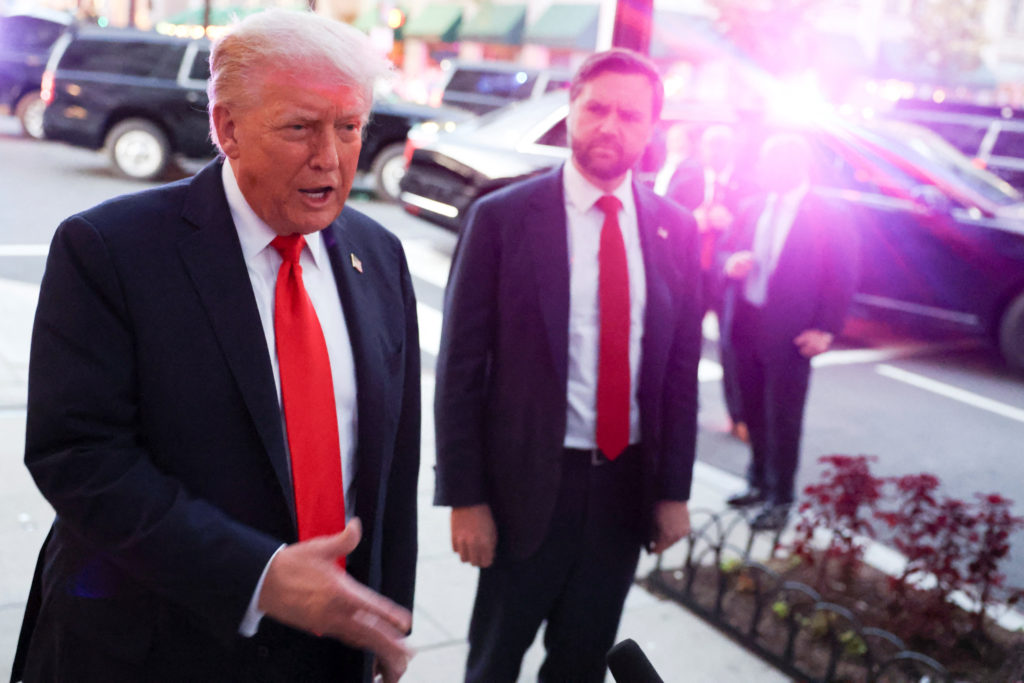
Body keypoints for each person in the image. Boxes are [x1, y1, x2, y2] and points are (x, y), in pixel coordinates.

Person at [12, 10, 420, 683]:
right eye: (300, 127)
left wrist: (386, 614)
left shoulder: (379, 256)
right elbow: (78, 456)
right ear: (227, 126)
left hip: (327, 643)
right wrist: (259, 576)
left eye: (350, 126)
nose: (331, 156)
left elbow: (392, 461)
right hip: (157, 644)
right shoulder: (111, 249)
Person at [433, 49, 703, 683]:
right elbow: (461, 368)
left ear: (652, 129)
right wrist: (465, 498)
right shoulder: (503, 218)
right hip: (525, 485)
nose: (611, 127)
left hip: (623, 489)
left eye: (631, 116)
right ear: (571, 110)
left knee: (581, 662)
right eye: (597, 108)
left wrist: (673, 491)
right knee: (494, 660)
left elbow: (679, 373)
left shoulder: (676, 230)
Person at [719, 133, 858, 531]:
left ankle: (781, 498)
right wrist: (731, 263)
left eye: (766, 163)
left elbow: (842, 276)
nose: (759, 171)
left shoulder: (828, 215)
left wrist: (827, 330)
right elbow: (724, 252)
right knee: (751, 411)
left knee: (783, 418)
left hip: (792, 334)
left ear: (791, 166)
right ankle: (758, 482)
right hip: (745, 326)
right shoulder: (751, 206)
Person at [664, 123, 751, 442]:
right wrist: (692, 219)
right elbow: (663, 216)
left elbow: (755, 226)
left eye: (722, 146)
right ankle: (684, 410)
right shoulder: (686, 178)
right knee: (685, 342)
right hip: (690, 274)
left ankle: (738, 415)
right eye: (710, 146)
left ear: (732, 150)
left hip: (726, 278)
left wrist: (729, 223)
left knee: (732, 347)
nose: (715, 152)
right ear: (701, 150)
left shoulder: (747, 185)